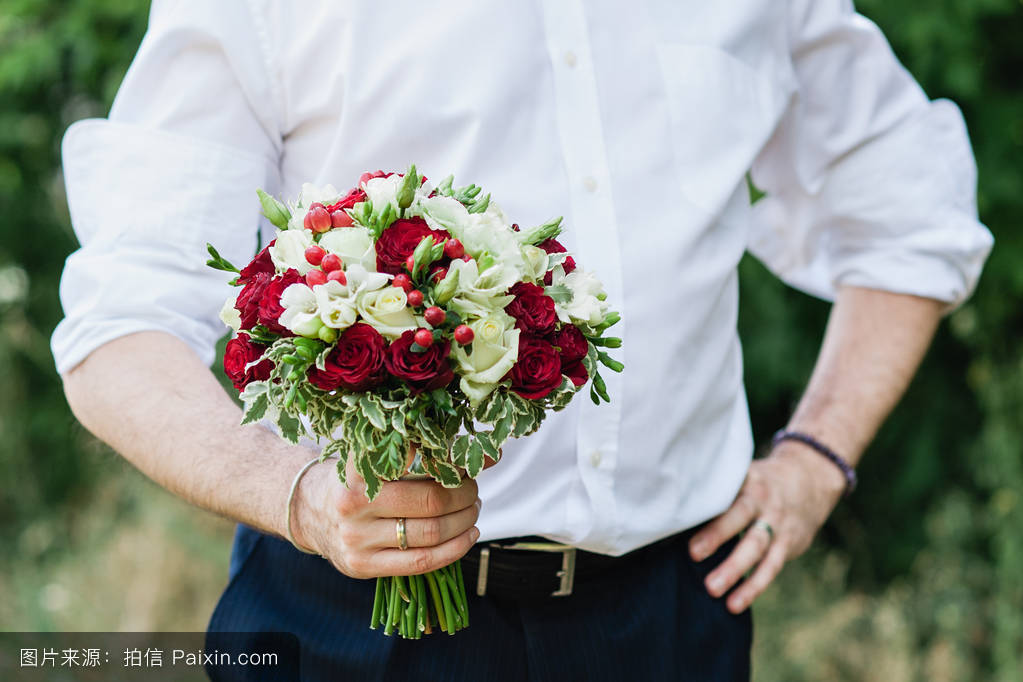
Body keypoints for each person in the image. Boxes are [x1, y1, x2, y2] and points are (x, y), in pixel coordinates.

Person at [53, 1, 992, 680]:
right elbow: (120, 322)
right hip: (352, 627)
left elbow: (909, 209)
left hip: (667, 626)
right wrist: (293, 494)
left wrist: (816, 458)